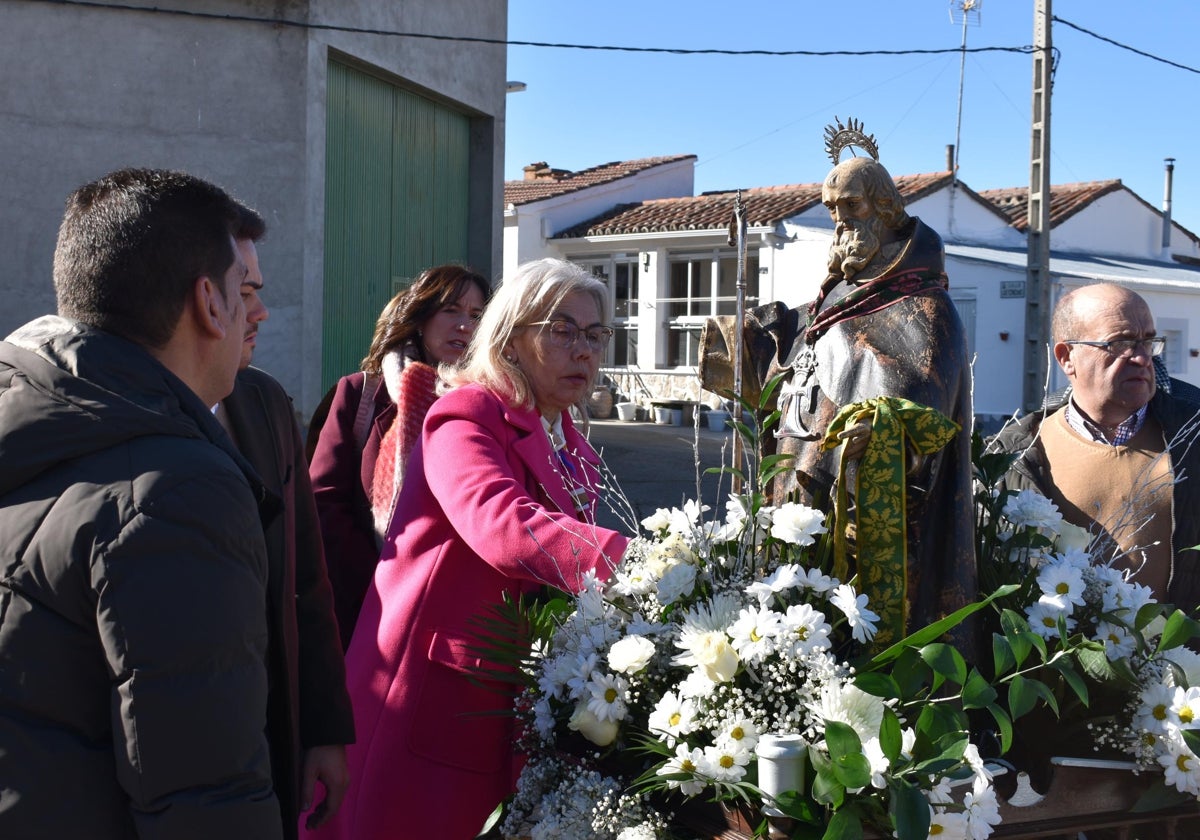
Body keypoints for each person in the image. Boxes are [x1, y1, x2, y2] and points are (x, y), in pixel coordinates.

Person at [303, 257, 629, 840]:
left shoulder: (570, 440)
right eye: (563, 330)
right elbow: (502, 525)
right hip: (435, 692)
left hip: (510, 694)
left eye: (595, 334)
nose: (584, 350)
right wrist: (641, 563)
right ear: (509, 337)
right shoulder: (467, 411)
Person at [0, 169, 282, 837]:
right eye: (243, 293)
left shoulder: (33, 420)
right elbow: (207, 794)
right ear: (210, 304)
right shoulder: (177, 487)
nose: (255, 313)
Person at [699, 121, 974, 646]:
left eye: (852, 206)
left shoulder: (926, 305)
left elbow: (926, 413)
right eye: (832, 209)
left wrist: (882, 429)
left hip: (876, 531)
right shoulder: (841, 293)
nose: (840, 220)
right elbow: (810, 348)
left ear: (885, 208)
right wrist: (761, 336)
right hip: (802, 487)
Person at [215, 213, 355, 838]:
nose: (262, 312)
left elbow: (306, 579)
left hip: (273, 741)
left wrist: (323, 728)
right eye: (246, 293)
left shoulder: (265, 403)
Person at [307, 265, 490, 648]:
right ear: (420, 318)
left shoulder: (488, 405)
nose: (465, 325)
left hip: (454, 614)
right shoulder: (361, 394)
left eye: (476, 316)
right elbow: (323, 501)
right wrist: (380, 583)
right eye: (451, 310)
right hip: (367, 605)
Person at [991, 283, 1200, 610]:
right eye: (1121, 343)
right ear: (1066, 357)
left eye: (1149, 341)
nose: (1142, 358)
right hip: (1055, 658)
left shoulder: (1193, 434)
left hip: (1181, 658)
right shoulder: (1014, 456)